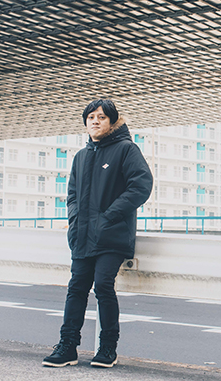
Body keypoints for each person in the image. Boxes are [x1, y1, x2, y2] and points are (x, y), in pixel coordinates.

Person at [42, 98, 153, 368]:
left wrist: (109, 216)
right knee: (76, 288)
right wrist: (75, 219)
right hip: (82, 235)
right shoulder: (81, 156)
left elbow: (141, 186)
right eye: (91, 117)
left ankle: (107, 348)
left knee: (103, 286)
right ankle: (67, 346)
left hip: (112, 235)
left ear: (112, 122)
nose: (95, 121)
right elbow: (72, 195)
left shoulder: (126, 149)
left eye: (101, 117)